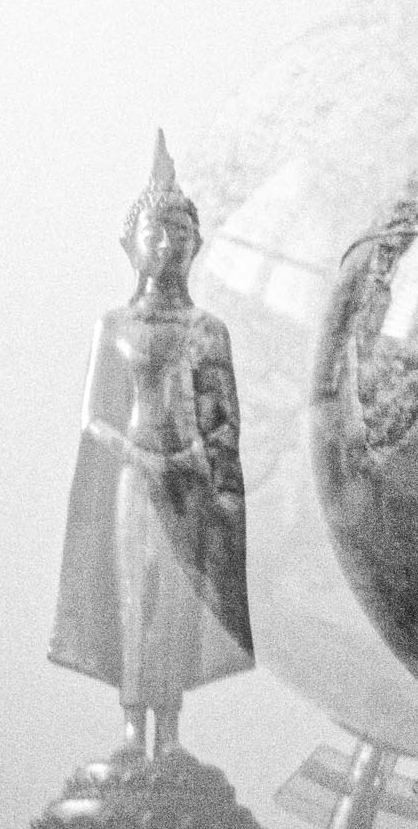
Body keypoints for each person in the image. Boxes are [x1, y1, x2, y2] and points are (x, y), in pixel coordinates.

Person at [50, 132, 254, 761]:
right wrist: (142, 458)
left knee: (176, 602)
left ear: (196, 245)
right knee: (135, 595)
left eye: (180, 234)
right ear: (131, 244)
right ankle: (132, 726)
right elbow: (94, 418)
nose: (167, 245)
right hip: (135, 479)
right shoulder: (115, 326)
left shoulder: (208, 330)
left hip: (188, 480)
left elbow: (227, 419)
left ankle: (169, 731)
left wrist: (194, 457)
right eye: (155, 233)